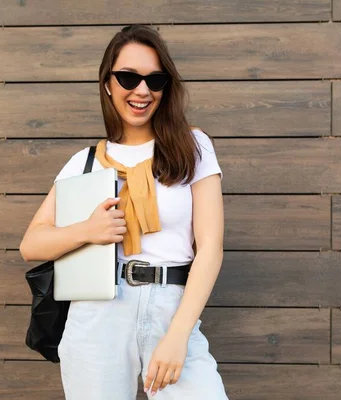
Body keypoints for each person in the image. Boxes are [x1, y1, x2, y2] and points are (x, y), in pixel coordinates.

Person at [20, 24, 229, 400]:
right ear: (107, 84)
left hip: (171, 306)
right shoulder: (84, 163)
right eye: (128, 77)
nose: (142, 90)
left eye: (155, 79)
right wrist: (87, 230)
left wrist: (178, 334)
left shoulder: (193, 146)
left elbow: (211, 248)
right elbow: (31, 244)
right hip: (98, 313)